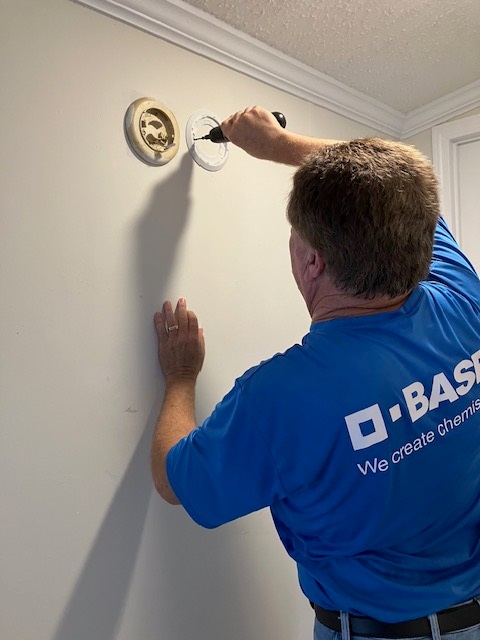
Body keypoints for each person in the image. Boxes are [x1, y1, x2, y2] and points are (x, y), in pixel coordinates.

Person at [151, 106, 480, 640]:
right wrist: (280, 145)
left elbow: (173, 481)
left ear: (313, 263)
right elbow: (392, 186)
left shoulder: (278, 398)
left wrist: (182, 377)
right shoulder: (462, 296)